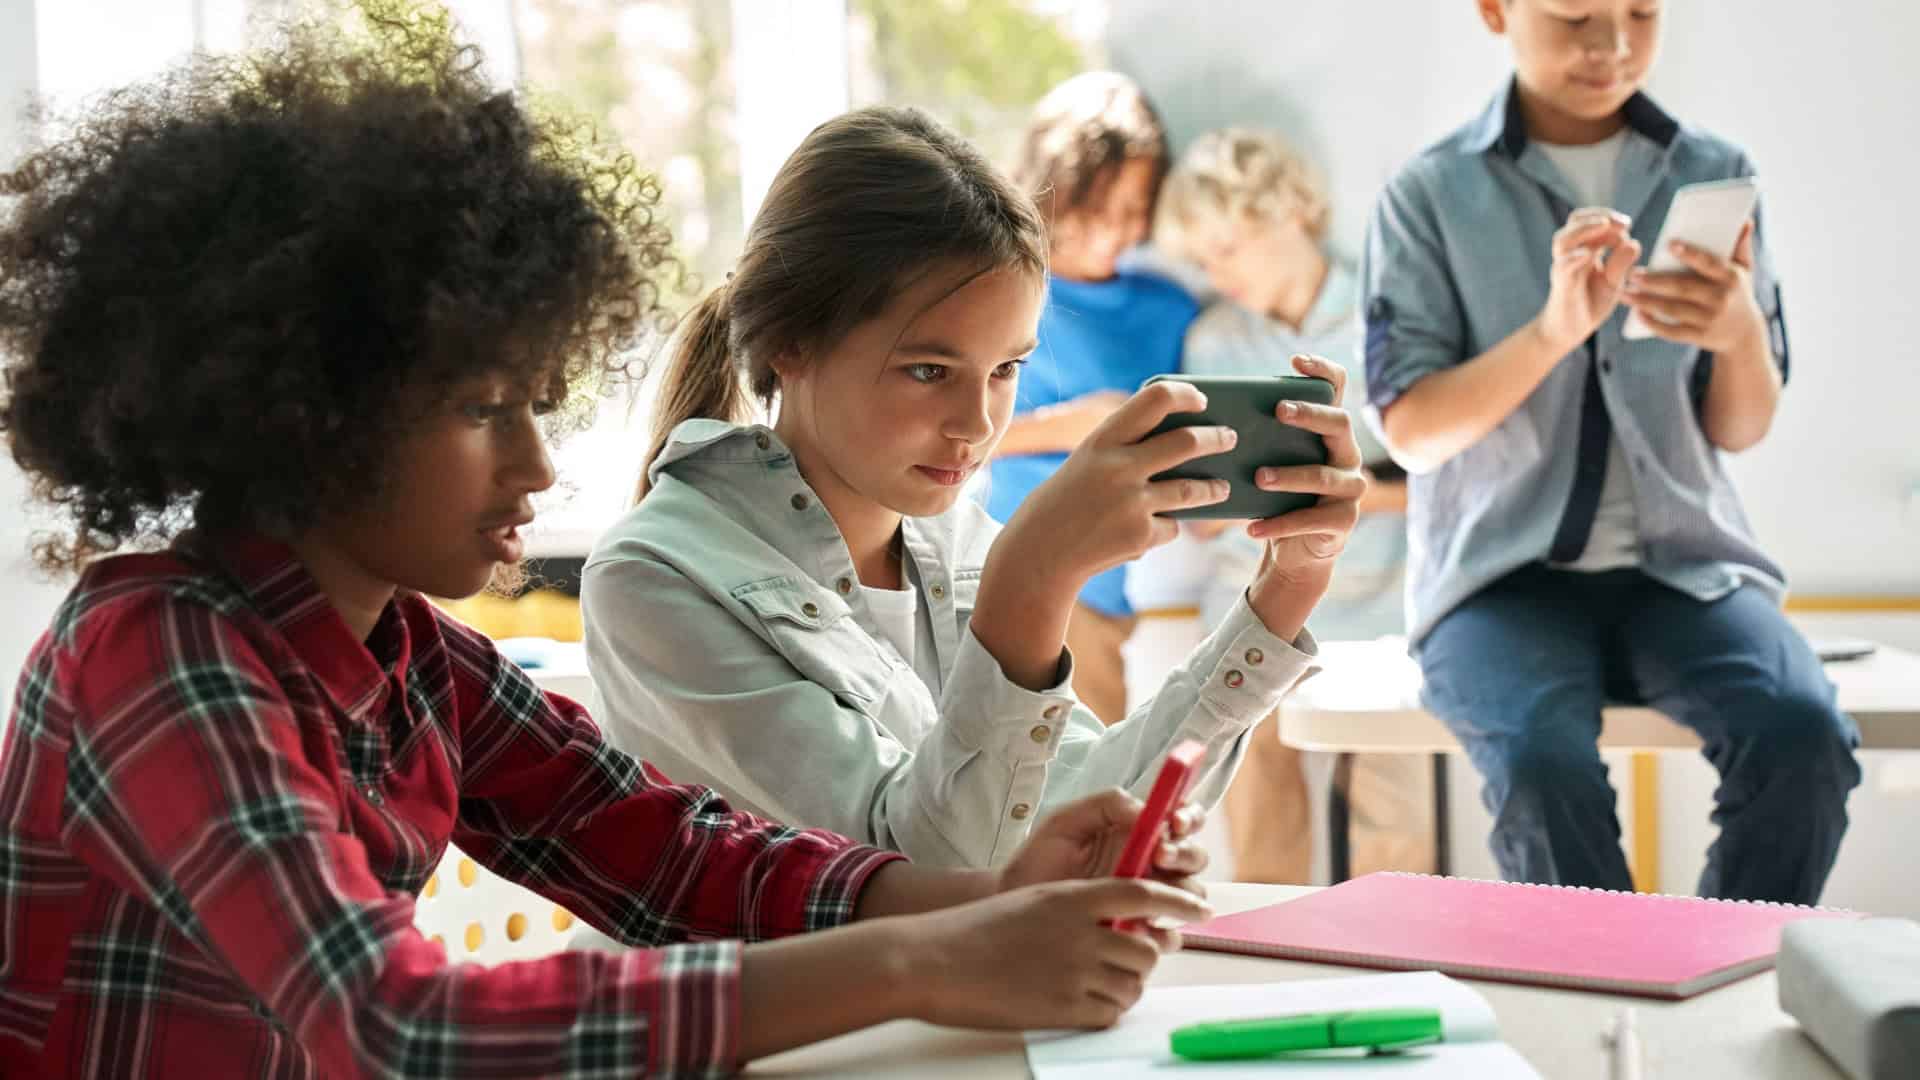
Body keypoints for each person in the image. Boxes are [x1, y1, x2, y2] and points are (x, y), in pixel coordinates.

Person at [0, 8, 1220, 1075]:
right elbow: (397, 1030)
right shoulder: (150, 652)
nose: (536, 464)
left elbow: (678, 856)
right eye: (485, 410)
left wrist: (986, 901)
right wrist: (919, 957)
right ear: (309, 412)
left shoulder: (418, 661)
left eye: (537, 402)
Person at [579, 104, 1368, 869]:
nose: (976, 424)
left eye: (1006, 370)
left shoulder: (951, 541)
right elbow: (929, 879)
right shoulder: (654, 581)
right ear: (792, 341)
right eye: (929, 369)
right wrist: (1033, 578)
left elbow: (1085, 815)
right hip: (768, 1005)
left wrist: (1286, 589)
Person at [1361, 0, 1859, 902]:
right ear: (1496, 11)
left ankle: (1712, 985)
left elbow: (1740, 429)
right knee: (1543, 771)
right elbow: (1411, 431)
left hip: (1687, 569)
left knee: (1803, 735)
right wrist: (1553, 331)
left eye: (1640, 11)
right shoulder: (1428, 193)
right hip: (1497, 584)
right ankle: (1605, 1000)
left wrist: (1740, 333)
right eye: (1577, 15)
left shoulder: (1715, 172)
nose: (1613, 45)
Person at [1149, 127, 1433, 883]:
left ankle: (1391, 970)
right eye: (1204, 257)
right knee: (1257, 817)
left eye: (1232, 246)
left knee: (1394, 824)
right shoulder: (1213, 340)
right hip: (1249, 609)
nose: (1219, 271)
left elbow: (1443, 474)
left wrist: (1347, 493)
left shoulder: (1390, 320)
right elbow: (1204, 504)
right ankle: (1269, 969)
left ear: (1294, 214)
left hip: (1381, 618)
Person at [983, 72, 1197, 724]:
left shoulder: (1169, 310)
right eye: (1098, 209)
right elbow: (956, 436)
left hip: (1119, 587)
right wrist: (1075, 426)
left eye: (1133, 211)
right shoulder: (1005, 290)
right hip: (1020, 570)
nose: (1115, 231)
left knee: (1092, 785)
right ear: (1056, 189)